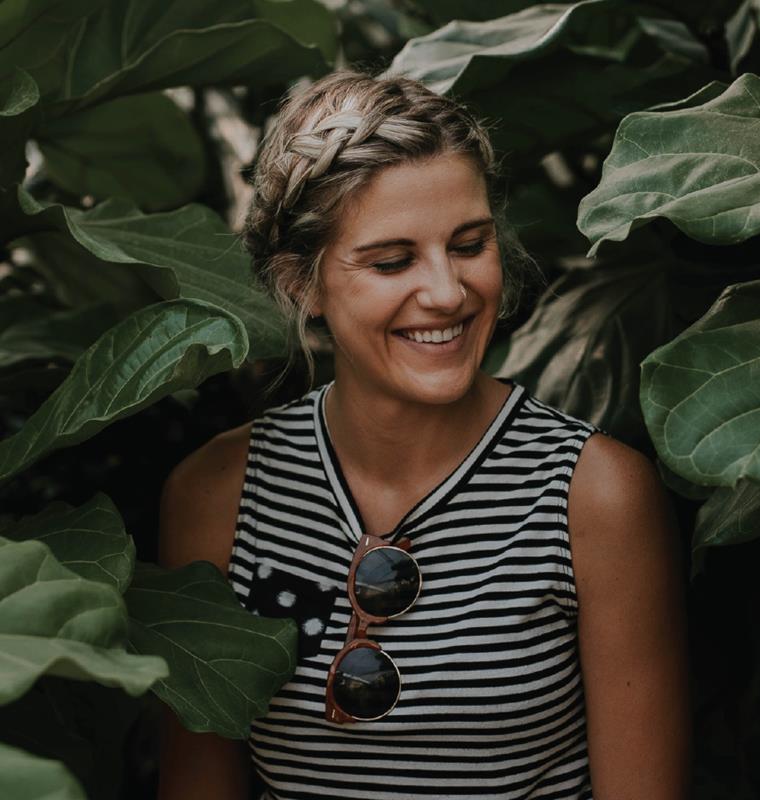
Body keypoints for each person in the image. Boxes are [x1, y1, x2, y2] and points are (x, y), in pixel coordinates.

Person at [157, 71, 690, 800]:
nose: (447, 292)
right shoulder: (217, 495)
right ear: (301, 281)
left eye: (469, 245)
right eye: (392, 261)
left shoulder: (594, 496)